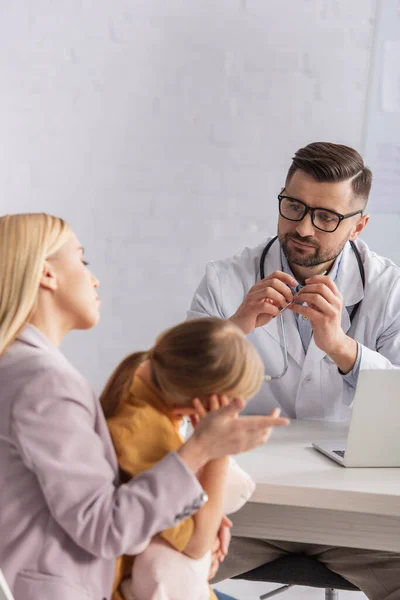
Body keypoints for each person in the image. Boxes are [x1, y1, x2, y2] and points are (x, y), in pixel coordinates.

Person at [0, 213, 289, 600]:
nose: (94, 278)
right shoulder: (45, 383)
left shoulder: (22, 369)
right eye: (82, 260)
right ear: (47, 275)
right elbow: (104, 529)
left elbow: (85, 495)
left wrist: (190, 506)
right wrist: (203, 449)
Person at [188, 142, 400, 599]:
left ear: (358, 226)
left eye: (326, 217)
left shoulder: (389, 289)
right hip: (243, 507)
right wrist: (237, 327)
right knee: (159, 566)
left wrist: (343, 348)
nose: (303, 227)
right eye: (293, 206)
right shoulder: (225, 280)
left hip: (360, 516)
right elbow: (176, 390)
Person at [101, 317, 281, 600]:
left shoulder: (137, 385)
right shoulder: (145, 433)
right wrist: (219, 450)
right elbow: (197, 544)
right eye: (230, 407)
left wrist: (211, 514)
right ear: (209, 402)